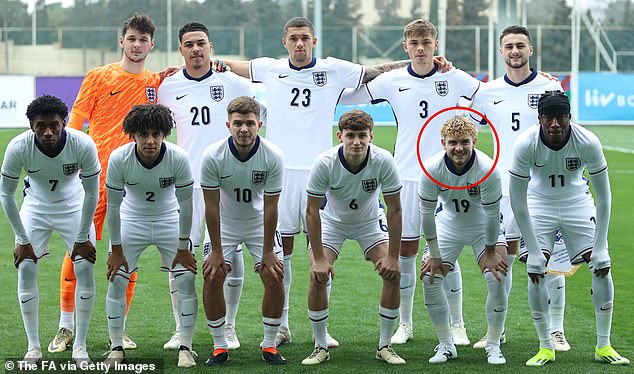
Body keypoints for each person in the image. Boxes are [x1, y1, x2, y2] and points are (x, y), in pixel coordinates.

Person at [222, 16, 414, 347]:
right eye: (293, 38)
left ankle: (322, 329)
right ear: (285, 42)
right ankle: (281, 326)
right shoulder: (270, 68)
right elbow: (229, 66)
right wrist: (207, 61)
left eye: (305, 38)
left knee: (321, 253)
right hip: (279, 172)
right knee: (283, 251)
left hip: (319, 174)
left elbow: (374, 71)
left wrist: (412, 61)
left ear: (314, 41)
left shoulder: (334, 69)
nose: (299, 43)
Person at [339, 19, 480, 346]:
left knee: (445, 253)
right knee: (405, 252)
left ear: (435, 44)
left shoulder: (453, 77)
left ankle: (457, 324)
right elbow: (349, 95)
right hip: (404, 176)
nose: (420, 48)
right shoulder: (392, 81)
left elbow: (488, 94)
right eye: (414, 43)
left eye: (426, 43)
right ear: (406, 47)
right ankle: (405, 323)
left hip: (447, 176)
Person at [50, 14, 163, 352]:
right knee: (79, 248)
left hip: (134, 181)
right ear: (122, 41)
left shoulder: (156, 82)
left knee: (128, 252)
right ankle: (65, 326)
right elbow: (75, 124)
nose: (137, 44)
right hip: (93, 178)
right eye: (132, 38)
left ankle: (120, 328)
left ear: (151, 44)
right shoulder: (98, 76)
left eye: (143, 39)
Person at [509, 90, 629, 366]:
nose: (554, 124)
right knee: (536, 269)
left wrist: (600, 247)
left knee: (602, 265)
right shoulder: (526, 143)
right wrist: (534, 248)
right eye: (548, 117)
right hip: (539, 204)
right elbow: (518, 199)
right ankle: (545, 347)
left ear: (569, 117)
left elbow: (604, 196)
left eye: (560, 117)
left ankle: (604, 345)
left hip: (577, 202)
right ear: (539, 118)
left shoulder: (587, 141)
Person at [470, 25, 569, 350]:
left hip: (541, 188)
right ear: (501, 52)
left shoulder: (550, 86)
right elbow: (467, 130)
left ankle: (556, 330)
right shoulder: (486, 91)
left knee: (548, 259)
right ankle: (496, 330)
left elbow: (563, 134)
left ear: (531, 50)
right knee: (502, 257)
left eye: (520, 46)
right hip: (502, 188)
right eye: (509, 46)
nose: (515, 51)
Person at [158, 21, 253, 351]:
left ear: (210, 47)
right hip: (186, 183)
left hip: (228, 182)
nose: (196, 49)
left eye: (201, 43)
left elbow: (257, 119)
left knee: (230, 253)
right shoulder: (167, 86)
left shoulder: (232, 82)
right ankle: (180, 328)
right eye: (189, 44)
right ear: (181, 50)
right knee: (181, 253)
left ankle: (229, 326)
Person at [0, 95, 100, 365]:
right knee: (27, 267)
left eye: (54, 125)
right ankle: (33, 348)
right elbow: (6, 195)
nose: (48, 132)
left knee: (84, 266)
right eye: (41, 125)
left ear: (64, 123)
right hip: (36, 208)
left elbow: (92, 193)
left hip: (74, 206)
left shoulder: (82, 143)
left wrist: (81, 237)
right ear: (31, 125)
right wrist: (21, 239)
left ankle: (80, 347)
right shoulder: (18, 146)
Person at [301, 109, 404, 365]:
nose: (356, 141)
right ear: (340, 136)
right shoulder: (325, 162)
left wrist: (393, 257)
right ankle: (320, 345)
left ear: (371, 136)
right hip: (331, 222)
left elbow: (395, 209)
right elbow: (311, 211)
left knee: (393, 273)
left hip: (368, 222)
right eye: (350, 136)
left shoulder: (383, 160)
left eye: (362, 136)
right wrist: (319, 260)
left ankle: (384, 345)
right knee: (317, 276)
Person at [103, 104, 197, 368]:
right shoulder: (119, 158)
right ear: (133, 134)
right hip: (132, 220)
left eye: (156, 134)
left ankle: (186, 348)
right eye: (143, 134)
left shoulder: (178, 157)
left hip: (169, 219)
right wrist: (117, 249)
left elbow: (187, 204)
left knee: (186, 277)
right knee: (117, 280)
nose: (150, 140)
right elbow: (112, 206)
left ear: (165, 134)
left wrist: (183, 246)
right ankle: (116, 347)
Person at [200, 96, 287, 366]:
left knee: (273, 275)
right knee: (212, 275)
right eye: (238, 123)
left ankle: (270, 345)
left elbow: (272, 206)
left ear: (259, 123)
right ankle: (219, 346)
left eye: (250, 123)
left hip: (260, 222)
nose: (244, 129)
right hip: (224, 222)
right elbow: (211, 206)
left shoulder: (273, 155)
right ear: (228, 124)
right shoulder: (213, 155)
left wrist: (269, 251)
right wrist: (215, 250)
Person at [418, 116, 508, 365]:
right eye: (453, 143)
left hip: (482, 226)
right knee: (429, 276)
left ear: (475, 142)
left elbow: (491, 215)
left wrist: (491, 252)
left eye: (465, 142)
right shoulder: (432, 168)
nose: (459, 148)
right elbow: (426, 213)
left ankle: (493, 343)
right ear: (443, 143)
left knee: (497, 275)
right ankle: (446, 344)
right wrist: (434, 254)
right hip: (450, 224)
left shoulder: (487, 169)